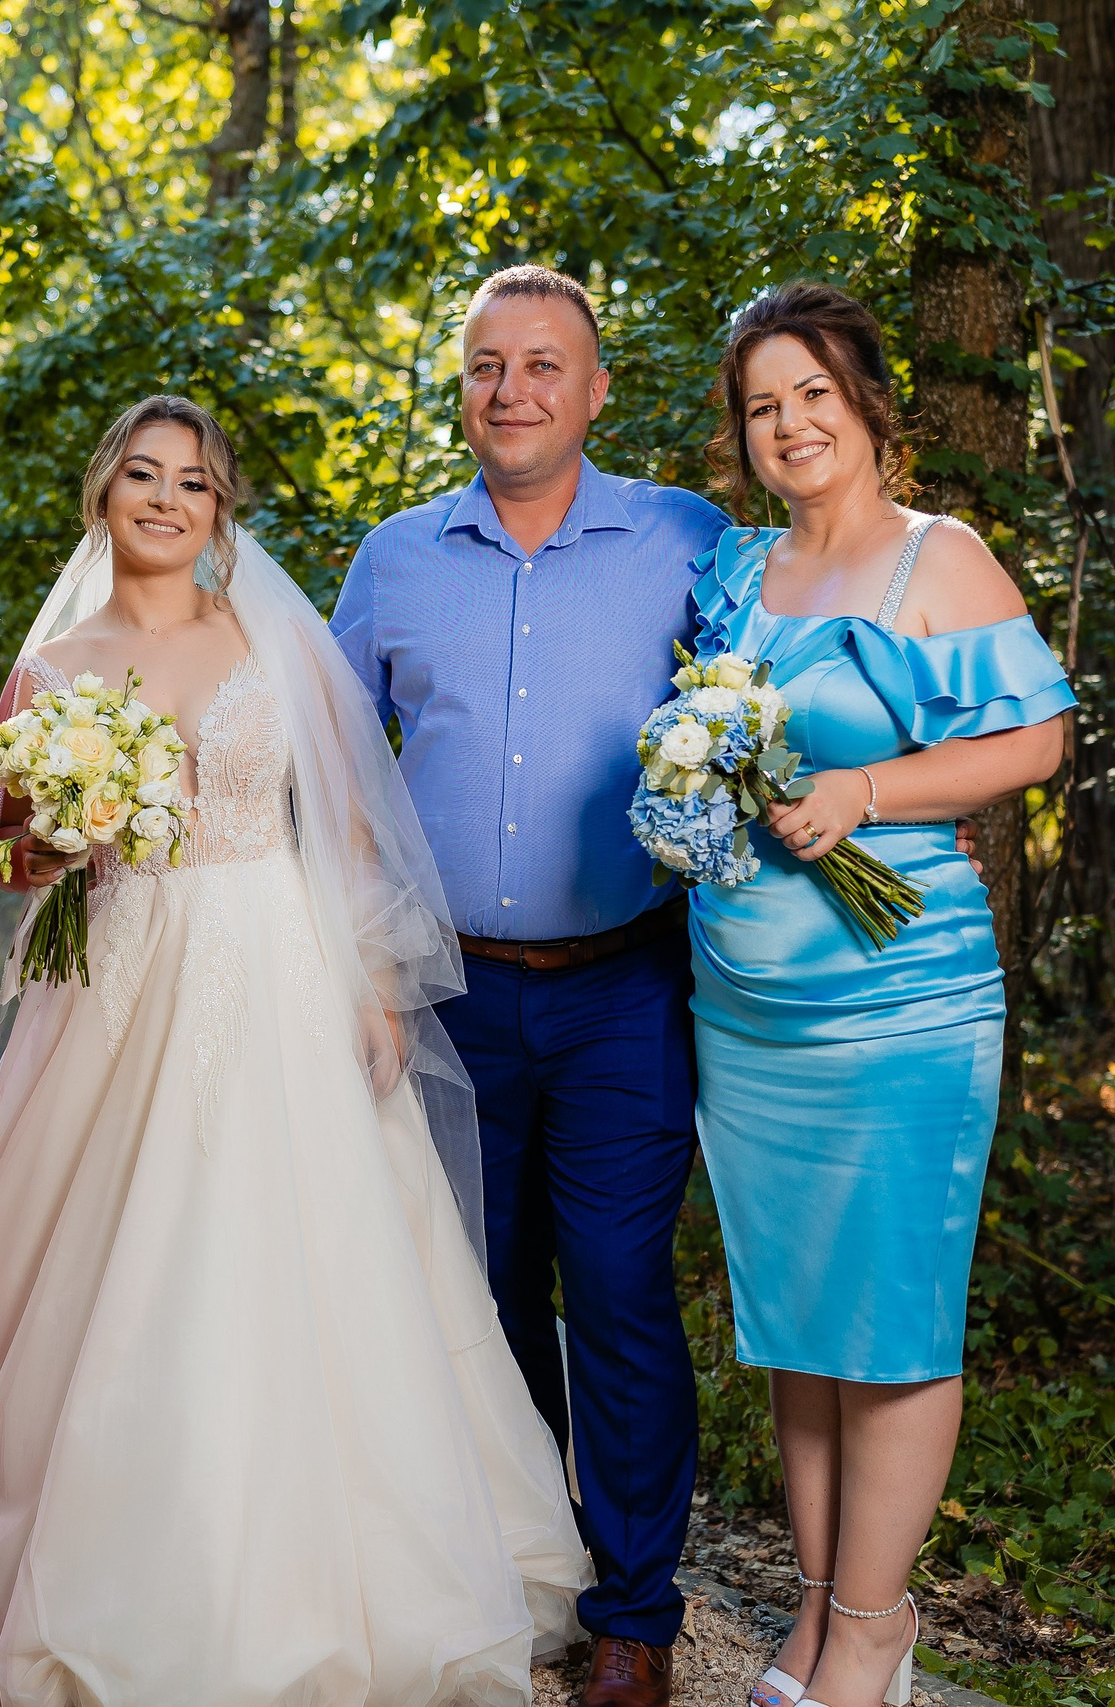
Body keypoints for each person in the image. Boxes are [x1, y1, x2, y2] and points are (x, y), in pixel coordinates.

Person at [0, 395, 591, 1705]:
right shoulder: (52, 668)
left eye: (193, 481)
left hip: (283, 963)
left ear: (220, 509)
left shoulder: (271, 640)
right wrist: (55, 842)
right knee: (116, 1250)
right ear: (102, 492)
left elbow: (345, 823)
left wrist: (370, 984)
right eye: (142, 474)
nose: (167, 499)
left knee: (319, 1254)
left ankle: (355, 1575)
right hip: (120, 979)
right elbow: (10, 861)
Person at [329, 265, 727, 1707]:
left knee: (619, 1293)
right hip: (445, 998)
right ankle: (519, 1570)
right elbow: (324, 763)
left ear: (596, 388)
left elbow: (766, 713)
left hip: (626, 989)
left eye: (544, 365)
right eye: (489, 365)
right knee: (479, 1296)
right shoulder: (395, 560)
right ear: (464, 387)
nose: (514, 390)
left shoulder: (688, 541)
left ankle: (635, 1611)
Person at [684, 282, 1073, 1707]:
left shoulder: (939, 560)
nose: (788, 426)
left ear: (866, 405)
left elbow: (1034, 741)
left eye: (813, 397)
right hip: (745, 1009)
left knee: (895, 1317)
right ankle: (817, 1602)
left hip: (899, 1000)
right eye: (762, 406)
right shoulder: (735, 575)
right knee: (798, 1315)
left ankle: (876, 1630)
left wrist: (871, 790)